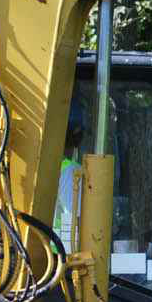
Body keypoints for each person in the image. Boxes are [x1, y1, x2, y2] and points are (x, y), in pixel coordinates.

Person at [52, 104, 86, 254]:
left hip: (48, 250)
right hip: (62, 255)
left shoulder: (47, 167)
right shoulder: (72, 172)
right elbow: (77, 222)